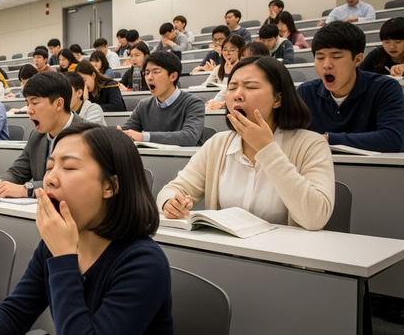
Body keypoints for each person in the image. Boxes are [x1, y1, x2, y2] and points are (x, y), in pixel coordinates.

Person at [0, 124, 173, 334]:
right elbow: (15, 313)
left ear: (110, 186)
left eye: (69, 167)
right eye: (49, 167)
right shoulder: (54, 244)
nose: (50, 179)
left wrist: (65, 258)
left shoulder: (143, 262)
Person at [158, 56, 335, 230]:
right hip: (227, 255)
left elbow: (315, 218)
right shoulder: (218, 144)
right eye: (232, 87)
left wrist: (267, 150)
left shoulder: (311, 145)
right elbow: (173, 189)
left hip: (283, 256)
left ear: (277, 99)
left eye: (250, 87)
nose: (237, 95)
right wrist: (170, 202)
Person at [297, 21, 404, 152]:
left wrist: (328, 139)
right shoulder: (305, 92)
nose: (326, 65)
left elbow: (392, 139)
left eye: (336, 57)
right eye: (320, 57)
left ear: (358, 60)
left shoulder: (385, 88)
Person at [0, 72, 82, 198]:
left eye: (34, 103)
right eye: (27, 103)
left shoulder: (86, 135)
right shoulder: (37, 136)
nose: (29, 110)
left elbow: (71, 183)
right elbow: (17, 172)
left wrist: (27, 189)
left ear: (59, 104)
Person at [118, 51, 205, 146]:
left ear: (173, 76)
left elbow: (189, 137)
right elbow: (126, 131)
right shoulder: (144, 105)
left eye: (156, 72)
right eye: (146, 73)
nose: (149, 78)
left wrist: (144, 137)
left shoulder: (193, 103)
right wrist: (120, 134)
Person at [206, 41, 270, 110]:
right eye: (242, 59)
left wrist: (225, 104)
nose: (245, 63)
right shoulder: (235, 80)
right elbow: (218, 99)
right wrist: (212, 104)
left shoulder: (269, 80)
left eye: (250, 59)